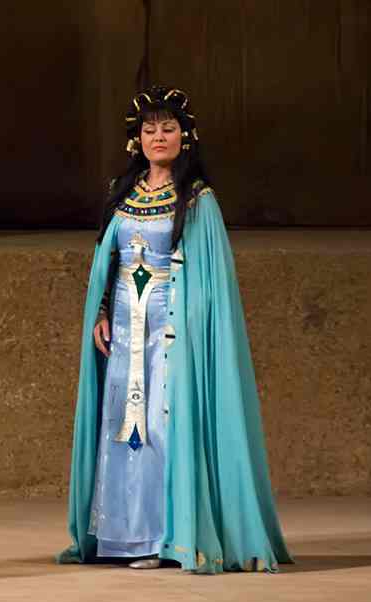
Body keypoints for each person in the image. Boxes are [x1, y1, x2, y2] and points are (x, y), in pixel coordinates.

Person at [58, 85, 292, 573]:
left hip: (171, 331)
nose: (158, 137)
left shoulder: (197, 199)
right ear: (137, 140)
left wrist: (189, 326)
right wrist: (102, 312)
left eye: (168, 129)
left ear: (185, 138)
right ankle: (124, 537)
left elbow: (209, 278)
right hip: (124, 331)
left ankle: (167, 536)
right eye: (150, 130)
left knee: (163, 424)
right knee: (123, 427)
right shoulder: (122, 193)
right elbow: (110, 260)